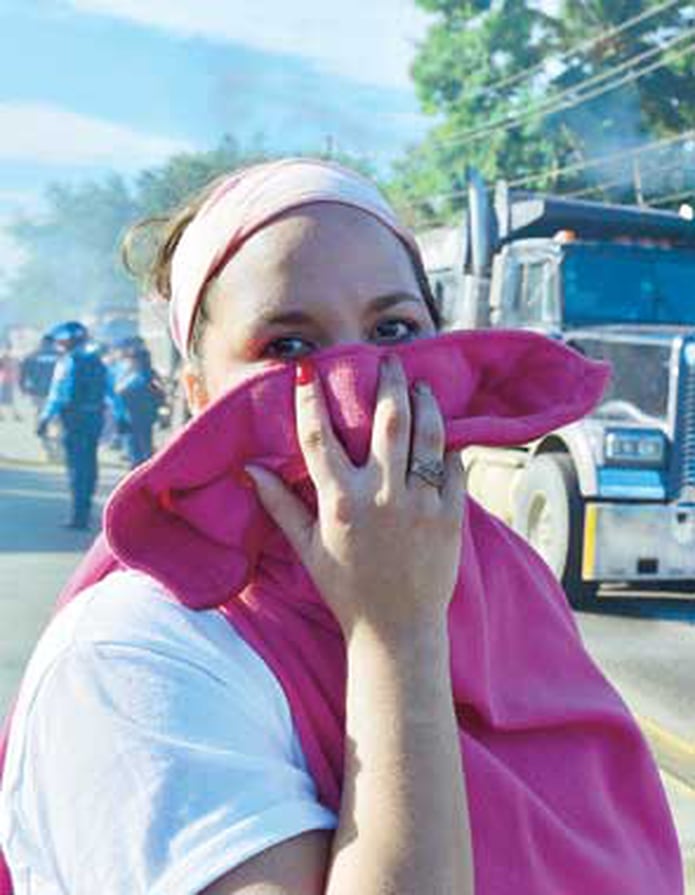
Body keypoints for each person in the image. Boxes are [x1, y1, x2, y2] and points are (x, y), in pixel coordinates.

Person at [0, 160, 682, 895]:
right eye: (288, 345)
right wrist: (393, 633)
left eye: (394, 328)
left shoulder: (502, 573)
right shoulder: (135, 655)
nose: (359, 379)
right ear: (197, 392)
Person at [36, 321, 124, 529]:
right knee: (90, 464)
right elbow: (112, 393)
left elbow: (57, 395)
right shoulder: (100, 362)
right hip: (95, 419)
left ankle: (78, 516)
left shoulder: (67, 362)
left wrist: (45, 419)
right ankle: (86, 509)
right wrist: (122, 418)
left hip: (73, 420)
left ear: (67, 341)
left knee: (76, 467)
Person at [114, 341, 166, 467]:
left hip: (137, 417)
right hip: (138, 416)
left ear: (138, 360)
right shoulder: (143, 375)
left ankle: (141, 471)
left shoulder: (140, 376)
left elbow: (123, 390)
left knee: (139, 448)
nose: (130, 362)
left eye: (132, 359)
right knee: (140, 446)